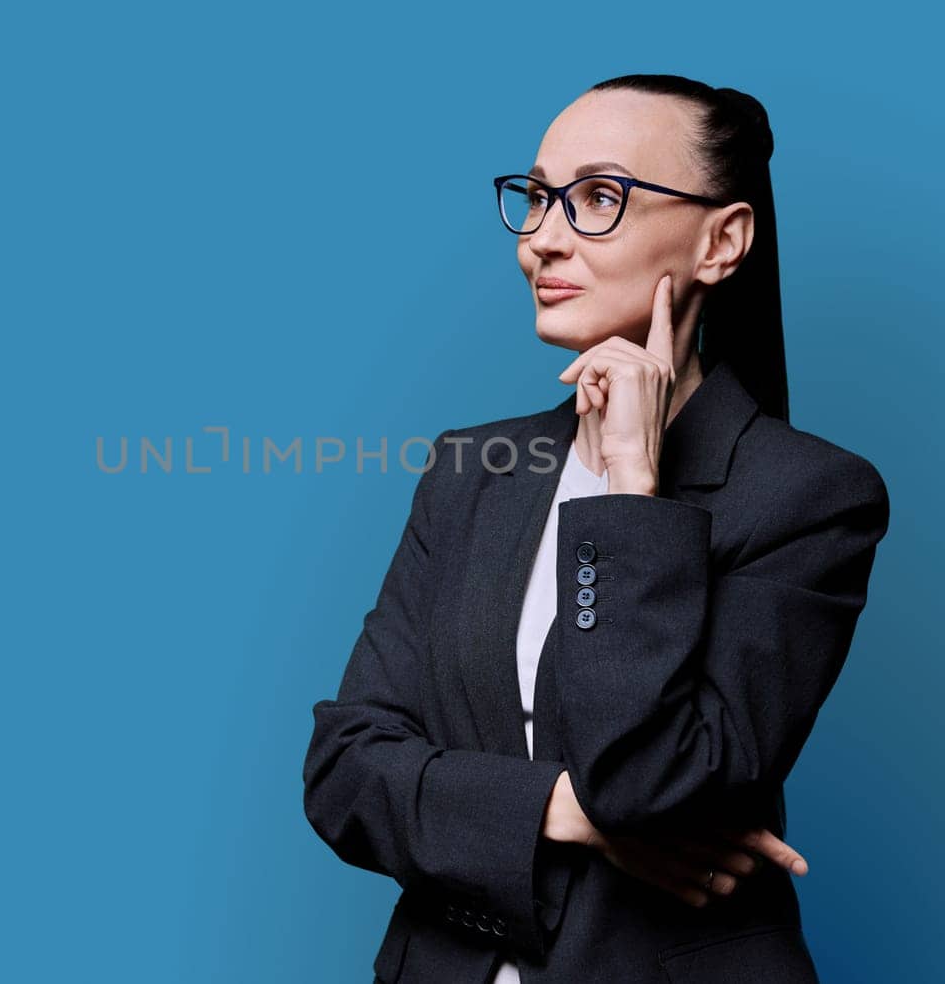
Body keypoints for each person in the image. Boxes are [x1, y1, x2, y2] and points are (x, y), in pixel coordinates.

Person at [301, 74, 891, 983]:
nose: (541, 237)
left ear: (722, 241)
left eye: (597, 198)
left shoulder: (811, 496)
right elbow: (343, 771)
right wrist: (561, 812)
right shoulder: (472, 471)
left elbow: (654, 786)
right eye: (538, 197)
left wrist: (629, 493)